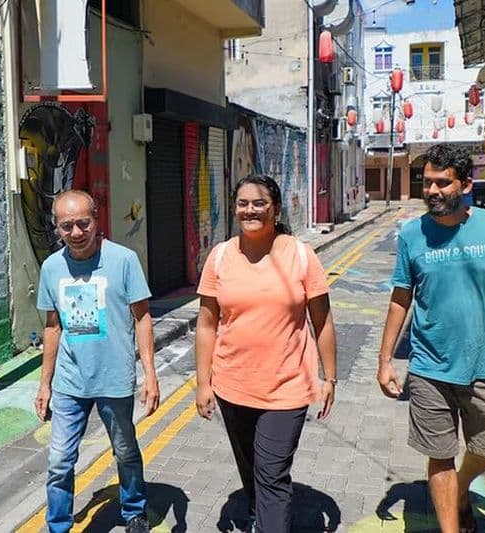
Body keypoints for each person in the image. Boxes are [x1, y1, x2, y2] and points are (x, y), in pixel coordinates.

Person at [376, 144, 485, 533]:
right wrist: (385, 359)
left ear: (466, 184)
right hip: (430, 367)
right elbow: (401, 297)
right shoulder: (412, 234)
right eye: (427, 182)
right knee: (439, 455)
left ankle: (463, 486)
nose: (432, 191)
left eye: (442, 183)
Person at [195, 174, 337, 533]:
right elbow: (207, 324)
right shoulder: (221, 256)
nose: (250, 210)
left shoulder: (301, 256)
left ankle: (268, 520)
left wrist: (329, 376)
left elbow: (322, 321)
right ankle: (257, 509)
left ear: (274, 208)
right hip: (232, 384)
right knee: (251, 467)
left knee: (272, 473)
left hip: (287, 388)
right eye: (243, 203)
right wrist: (202, 383)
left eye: (259, 203)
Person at [34, 190, 160, 533]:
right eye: (66, 226)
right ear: (57, 228)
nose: (76, 232)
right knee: (60, 460)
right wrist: (44, 383)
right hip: (69, 382)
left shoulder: (123, 260)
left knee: (125, 451)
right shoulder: (51, 267)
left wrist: (150, 374)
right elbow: (52, 326)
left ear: (96, 219)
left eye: (83, 223)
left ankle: (133, 510)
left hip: (115, 379)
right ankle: (58, 524)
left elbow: (142, 318)